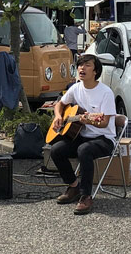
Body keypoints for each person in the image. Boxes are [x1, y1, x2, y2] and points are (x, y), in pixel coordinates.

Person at [50, 53, 117, 215]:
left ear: (95, 71)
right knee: (56, 150)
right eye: (80, 65)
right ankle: (74, 187)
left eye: (87, 65)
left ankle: (86, 196)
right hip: (81, 136)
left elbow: (105, 122)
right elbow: (60, 104)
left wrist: (90, 120)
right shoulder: (75, 88)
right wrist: (59, 116)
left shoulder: (105, 93)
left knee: (84, 150)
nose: (82, 68)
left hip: (104, 139)